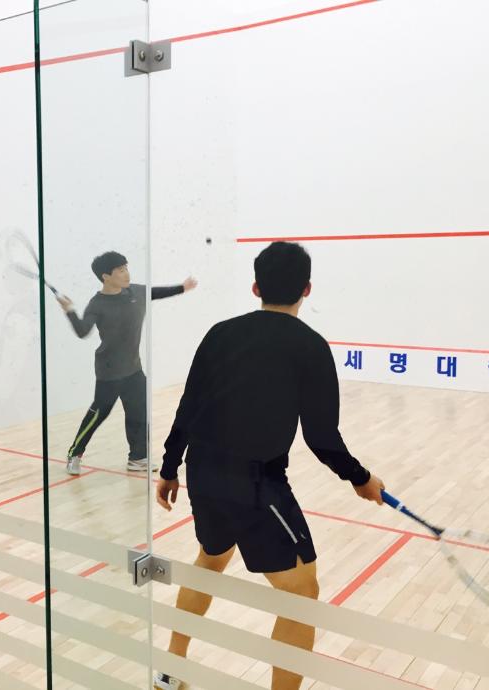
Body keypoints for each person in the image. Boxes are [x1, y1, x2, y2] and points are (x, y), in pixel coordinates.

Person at [152, 241, 385, 690]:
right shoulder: (311, 347)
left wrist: (169, 468)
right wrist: (361, 478)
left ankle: (170, 669)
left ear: (256, 287)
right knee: (302, 594)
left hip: (203, 474)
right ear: (307, 289)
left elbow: (188, 407)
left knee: (210, 560)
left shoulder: (219, 334)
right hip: (256, 487)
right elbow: (322, 438)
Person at [58, 251, 197, 474]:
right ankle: (74, 453)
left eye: (126, 268)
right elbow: (83, 331)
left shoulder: (136, 292)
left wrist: (183, 287)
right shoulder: (97, 304)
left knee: (138, 413)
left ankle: (138, 458)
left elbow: (157, 292)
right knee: (98, 414)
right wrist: (70, 311)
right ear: (106, 276)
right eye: (120, 270)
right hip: (109, 371)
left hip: (133, 368)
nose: (126, 273)